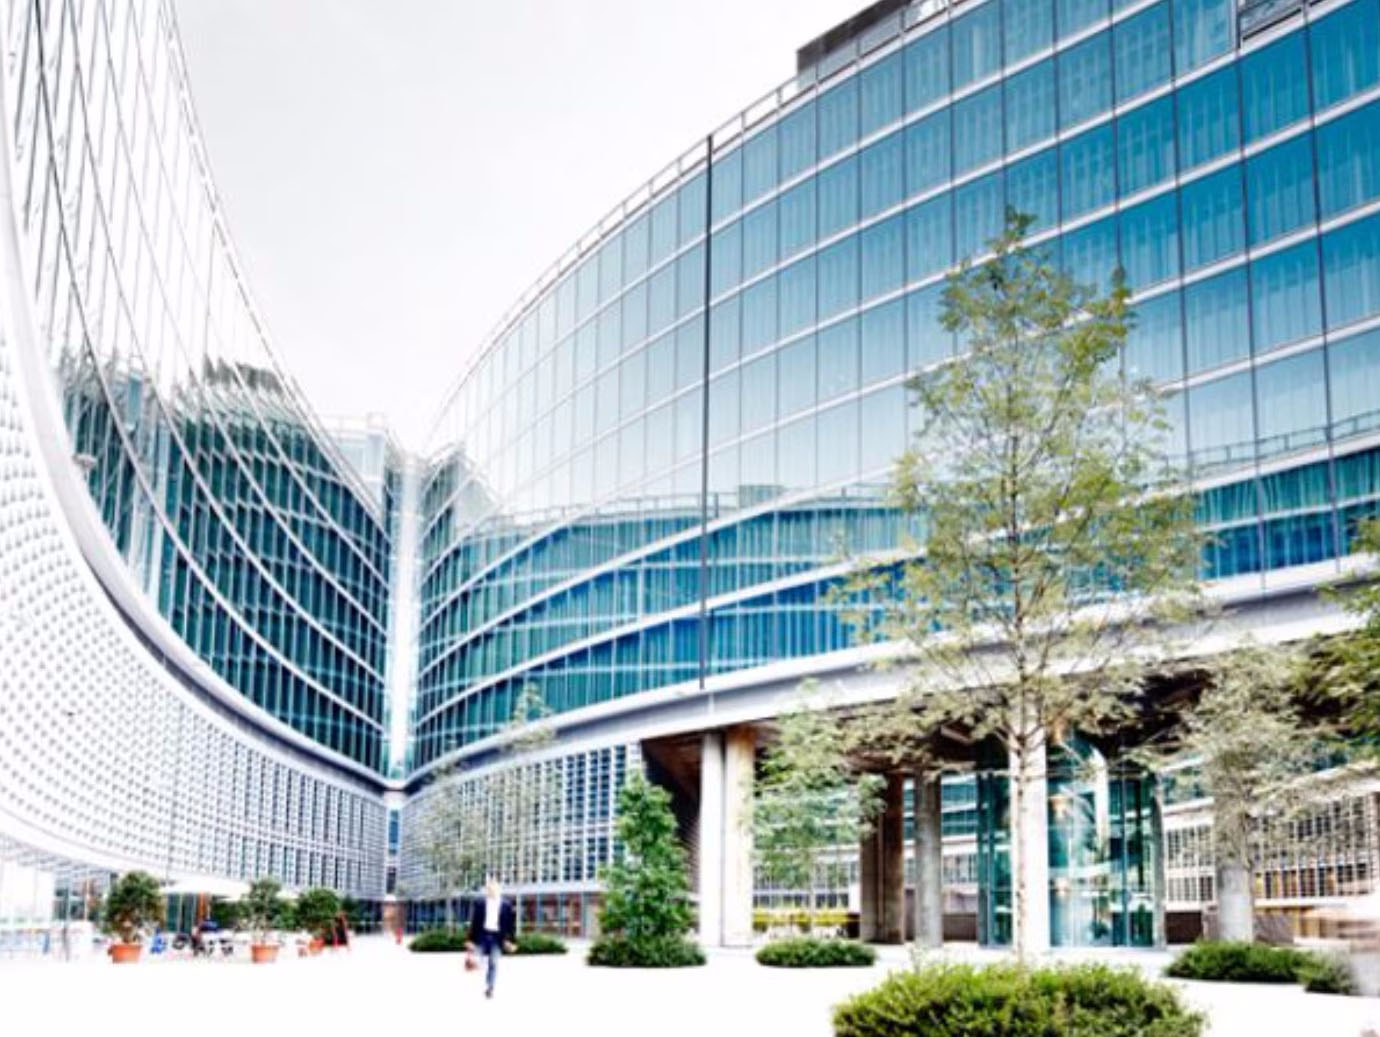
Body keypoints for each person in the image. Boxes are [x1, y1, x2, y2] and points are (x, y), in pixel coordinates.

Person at [466, 877, 515, 999]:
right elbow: (474, 923)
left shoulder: (507, 905)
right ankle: (477, 964)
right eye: (489, 889)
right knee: (476, 959)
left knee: (493, 962)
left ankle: (490, 987)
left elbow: (511, 925)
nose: (491, 891)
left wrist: (511, 941)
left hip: (497, 938)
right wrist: (470, 940)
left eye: (494, 888)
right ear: (487, 890)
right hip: (482, 935)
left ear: (499, 890)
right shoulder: (480, 903)